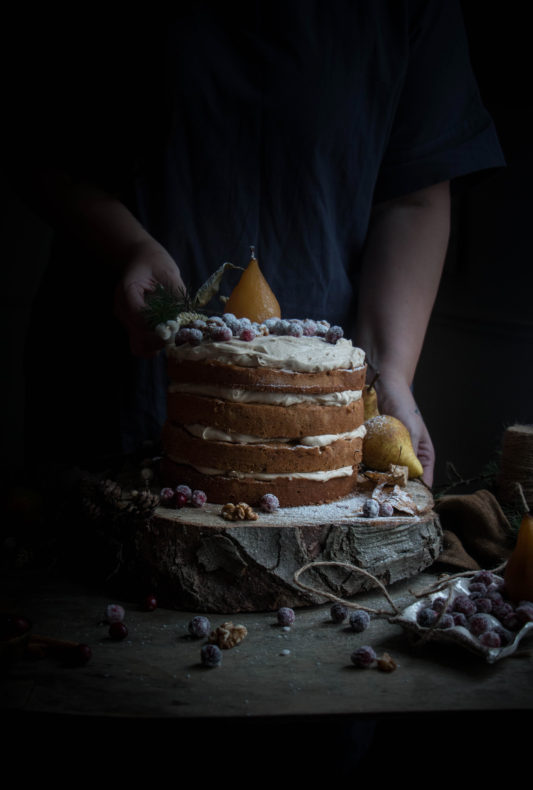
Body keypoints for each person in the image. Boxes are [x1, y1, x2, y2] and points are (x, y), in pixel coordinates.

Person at [11, 1, 504, 484]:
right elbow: (41, 140)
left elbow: (414, 193)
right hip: (114, 372)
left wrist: (388, 374)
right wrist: (129, 247)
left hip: (322, 401)